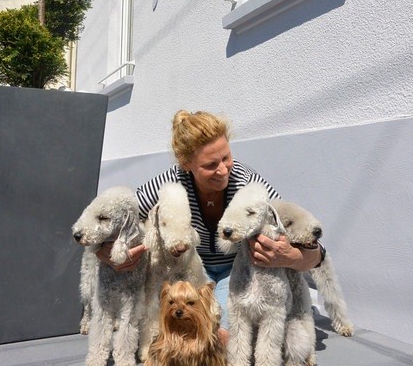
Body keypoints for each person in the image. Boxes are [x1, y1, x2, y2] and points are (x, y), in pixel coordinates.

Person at [97, 110, 325, 343]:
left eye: (226, 157)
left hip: (236, 276)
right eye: (210, 164)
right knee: (178, 336)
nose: (224, 170)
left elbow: (314, 250)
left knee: (222, 341)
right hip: (187, 275)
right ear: (186, 164)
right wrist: (103, 250)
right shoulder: (169, 185)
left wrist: (290, 257)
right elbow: (119, 215)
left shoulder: (246, 183)